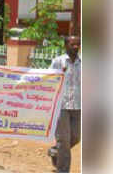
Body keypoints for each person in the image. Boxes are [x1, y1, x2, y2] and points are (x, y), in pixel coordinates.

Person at [48, 36, 81, 173]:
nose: (76, 47)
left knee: (76, 137)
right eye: (72, 44)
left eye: (78, 44)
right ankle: (63, 170)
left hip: (78, 106)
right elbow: (48, 77)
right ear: (66, 45)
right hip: (61, 107)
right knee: (64, 140)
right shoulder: (58, 62)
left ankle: (56, 150)